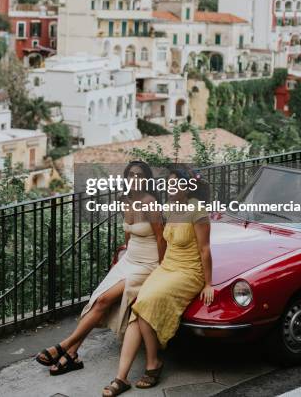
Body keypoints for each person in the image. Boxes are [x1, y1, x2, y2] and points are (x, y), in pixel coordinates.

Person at [36, 161, 166, 376]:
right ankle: (72, 354)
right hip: (130, 259)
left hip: (148, 264)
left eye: (140, 175)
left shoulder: (150, 202)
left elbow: (161, 238)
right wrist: (124, 251)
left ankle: (63, 346)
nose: (135, 179)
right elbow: (129, 233)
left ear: (146, 179)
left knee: (106, 300)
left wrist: (161, 270)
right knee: (97, 301)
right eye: (131, 175)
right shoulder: (126, 201)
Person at [102, 167, 214, 396]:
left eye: (177, 183)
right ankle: (120, 378)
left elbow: (204, 250)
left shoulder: (197, 211)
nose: (171, 187)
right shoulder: (170, 208)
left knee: (146, 303)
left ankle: (153, 363)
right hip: (168, 267)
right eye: (169, 183)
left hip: (188, 272)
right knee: (138, 306)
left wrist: (208, 283)